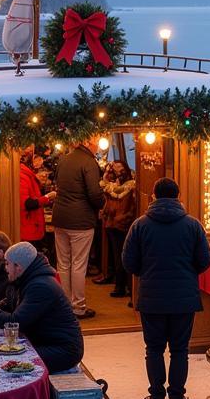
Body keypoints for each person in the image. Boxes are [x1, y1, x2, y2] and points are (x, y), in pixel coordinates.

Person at [122, 177, 210, 399]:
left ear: (153, 196)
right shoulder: (193, 225)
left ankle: (156, 398)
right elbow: (205, 260)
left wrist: (147, 271)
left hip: (151, 297)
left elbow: (128, 262)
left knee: (153, 348)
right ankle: (177, 398)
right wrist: (187, 271)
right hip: (184, 298)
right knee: (180, 349)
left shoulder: (140, 225)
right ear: (178, 196)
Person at [0, 241, 84, 373]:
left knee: (5, 360)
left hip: (62, 351)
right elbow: (11, 307)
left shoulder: (41, 286)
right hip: (44, 342)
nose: (5, 268)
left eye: (7, 264)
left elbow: (14, 323)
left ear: (18, 266)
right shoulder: (25, 280)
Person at [51, 137, 104, 319]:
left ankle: (64, 304)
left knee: (63, 264)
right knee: (79, 265)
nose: (98, 144)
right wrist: (102, 203)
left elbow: (57, 184)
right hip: (81, 220)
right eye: (96, 140)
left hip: (60, 218)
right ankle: (78, 306)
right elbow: (95, 193)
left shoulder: (64, 159)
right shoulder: (89, 162)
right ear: (88, 142)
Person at [96, 159, 137, 298]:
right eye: (114, 168)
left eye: (119, 168)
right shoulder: (112, 185)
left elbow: (118, 193)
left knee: (122, 255)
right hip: (112, 223)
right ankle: (120, 285)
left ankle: (125, 287)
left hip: (122, 223)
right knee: (116, 255)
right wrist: (107, 173)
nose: (117, 170)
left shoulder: (129, 186)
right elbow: (105, 185)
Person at [19, 148, 55, 251]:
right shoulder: (23, 176)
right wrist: (47, 197)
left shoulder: (28, 175)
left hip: (32, 225)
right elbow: (27, 203)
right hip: (29, 227)